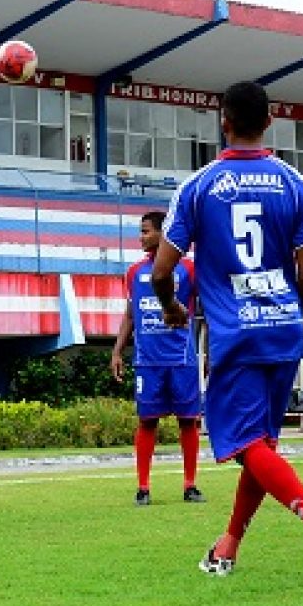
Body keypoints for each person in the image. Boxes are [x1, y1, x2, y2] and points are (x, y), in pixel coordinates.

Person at [152, 80, 303, 585]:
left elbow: (162, 272)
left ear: (223, 120)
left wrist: (174, 308)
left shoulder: (198, 186)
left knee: (248, 443)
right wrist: (294, 313)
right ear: (269, 123)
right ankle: (228, 547)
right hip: (284, 331)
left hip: (235, 334)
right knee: (261, 443)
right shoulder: (296, 185)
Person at [111, 211, 205, 507]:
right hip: (147, 360)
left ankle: (190, 485)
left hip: (181, 358)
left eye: (145, 231)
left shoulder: (188, 269)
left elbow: (208, 308)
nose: (141, 237)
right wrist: (116, 351)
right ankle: (143, 487)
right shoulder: (133, 272)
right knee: (147, 420)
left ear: (163, 233)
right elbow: (130, 315)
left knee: (188, 421)